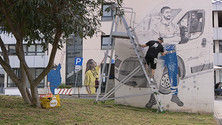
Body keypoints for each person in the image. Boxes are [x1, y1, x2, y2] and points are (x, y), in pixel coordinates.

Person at [146, 6, 184, 108]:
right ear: (162, 14)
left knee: (173, 73)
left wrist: (165, 39)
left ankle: (174, 96)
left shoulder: (175, 26)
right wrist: (170, 39)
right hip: (160, 54)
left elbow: (178, 38)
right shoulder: (156, 26)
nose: (169, 14)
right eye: (167, 12)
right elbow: (157, 41)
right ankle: (153, 98)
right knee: (157, 75)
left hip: (172, 53)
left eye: (170, 12)